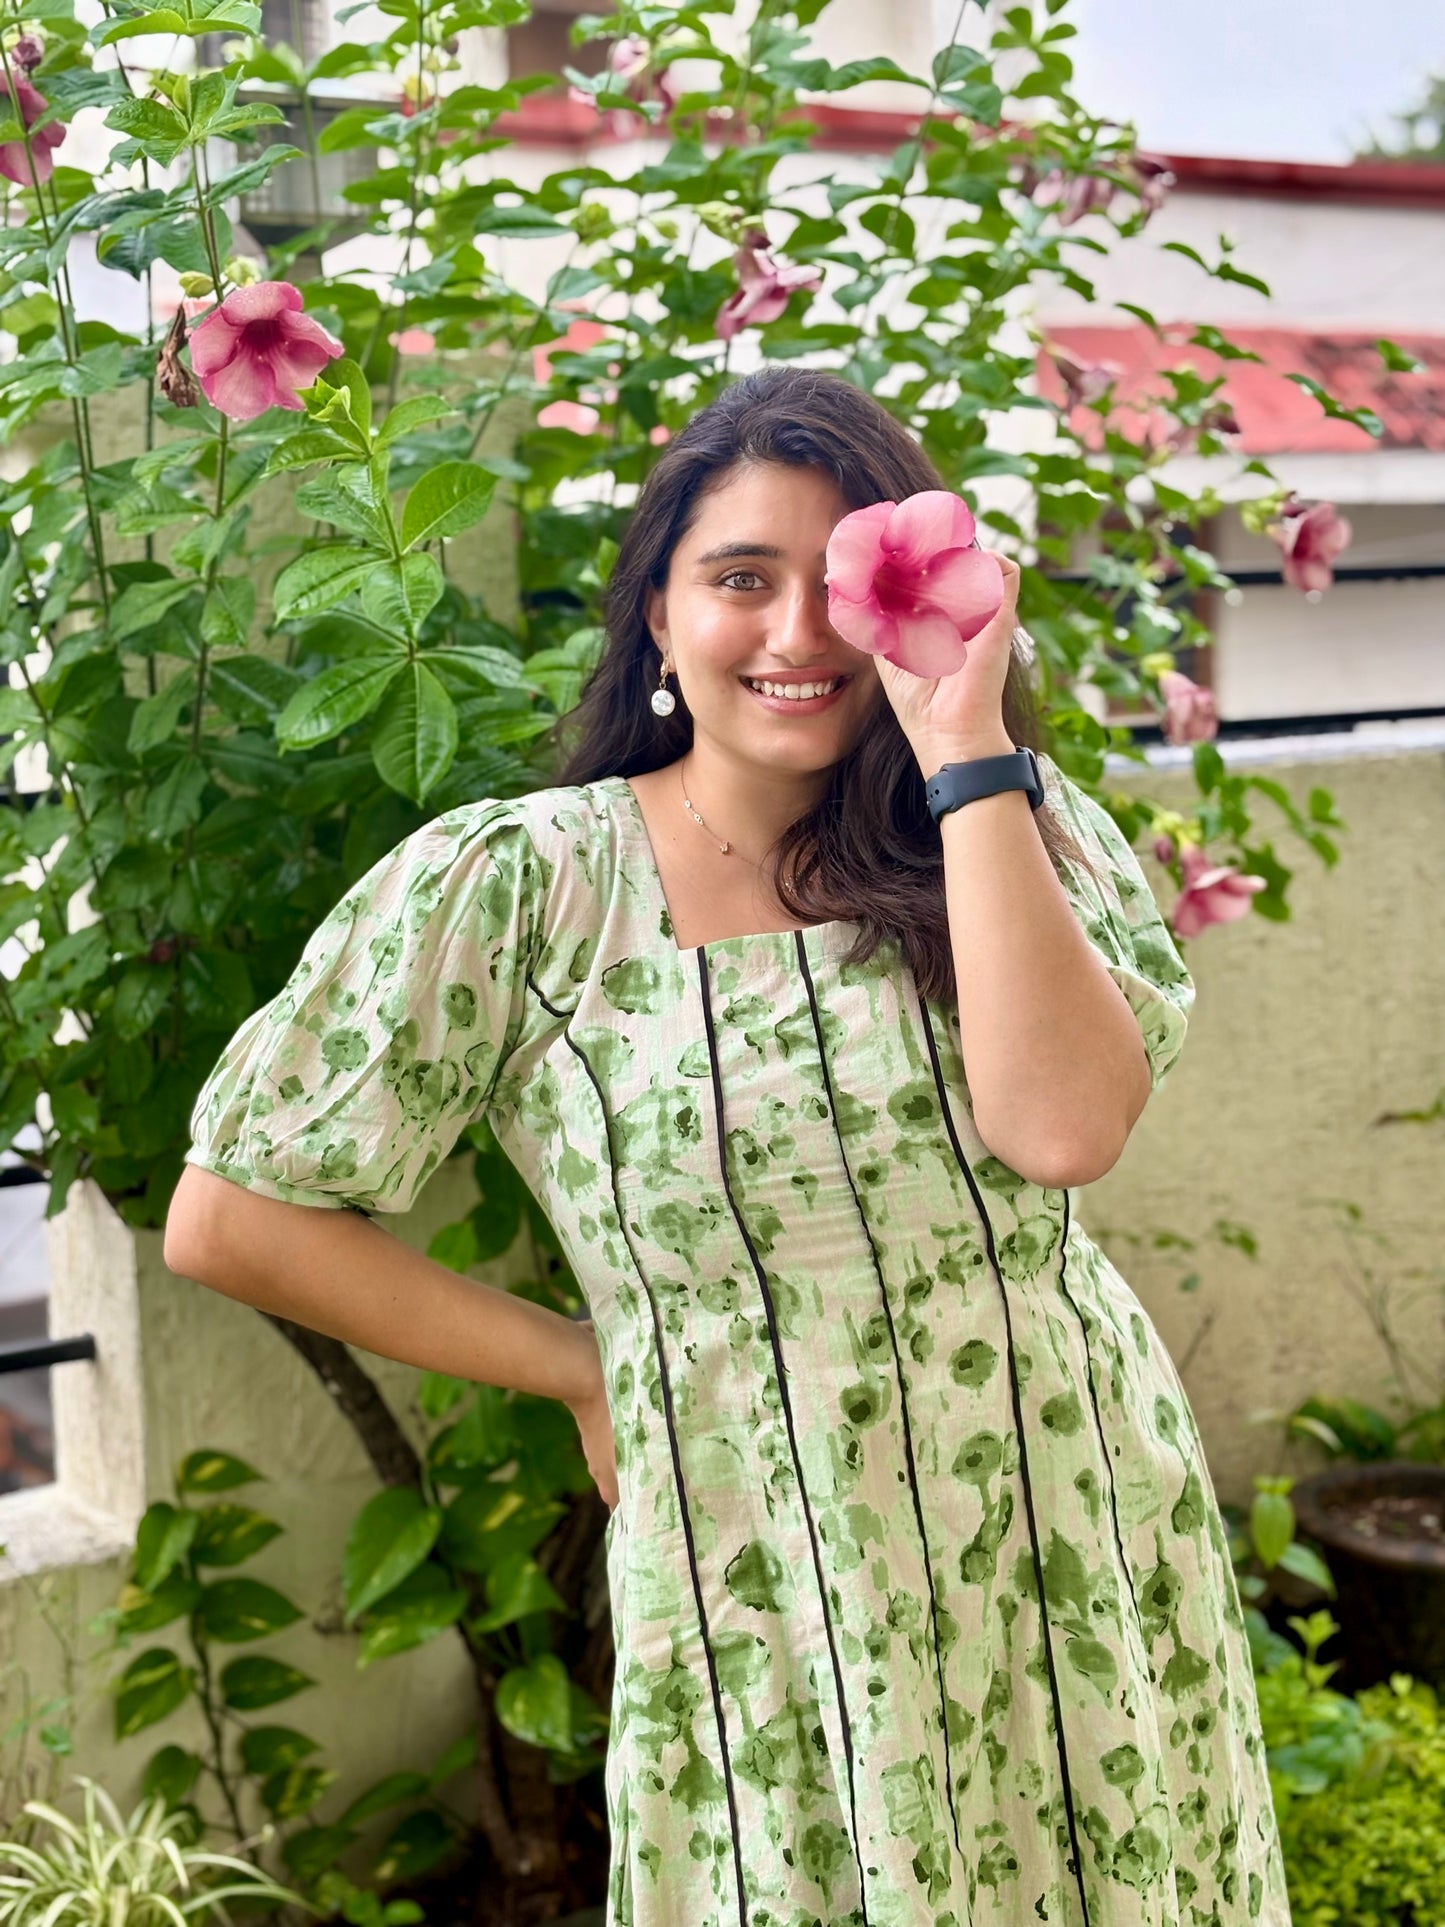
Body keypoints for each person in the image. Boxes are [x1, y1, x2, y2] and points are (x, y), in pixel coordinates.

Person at [166, 367, 1290, 1927]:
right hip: (757, 1537)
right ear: (655, 615)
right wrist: (578, 1362)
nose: (797, 635)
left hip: (1065, 1502)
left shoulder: (1010, 835)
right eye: (738, 579)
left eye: (844, 584)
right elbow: (234, 1216)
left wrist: (963, 748)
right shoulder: (525, 885)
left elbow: (1061, 1131)